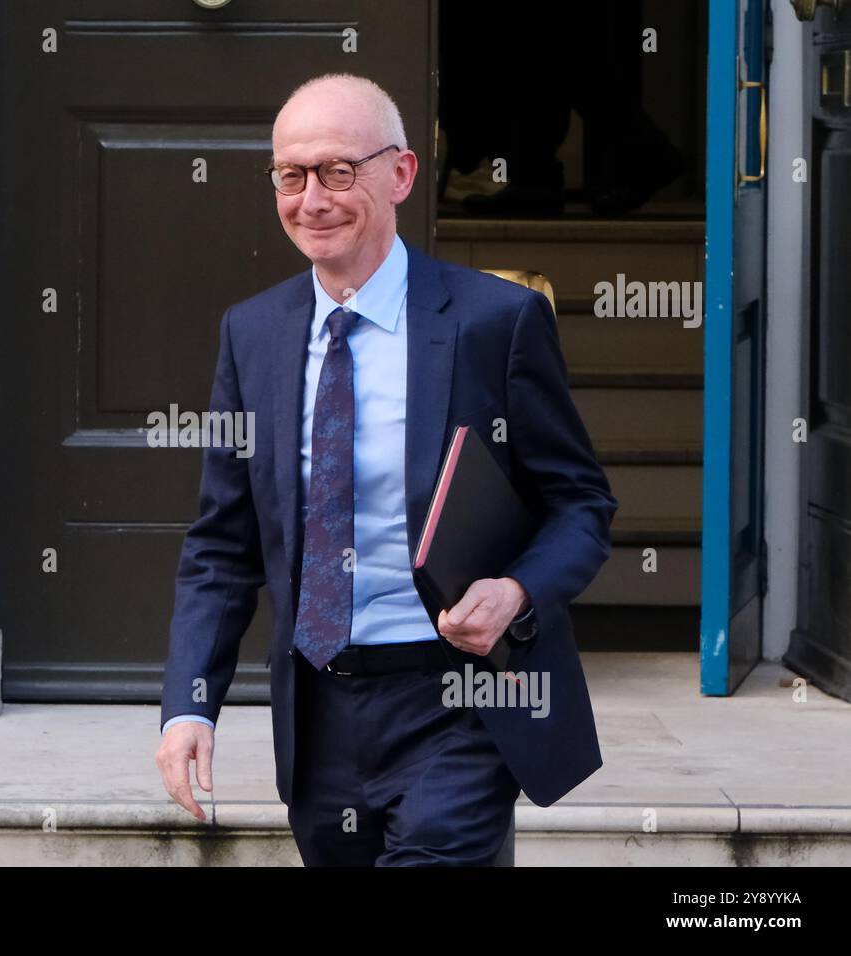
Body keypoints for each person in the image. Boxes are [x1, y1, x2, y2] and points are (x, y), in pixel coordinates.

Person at [155, 73, 618, 866]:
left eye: (339, 171)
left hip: (457, 703)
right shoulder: (253, 333)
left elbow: (580, 505)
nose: (312, 199)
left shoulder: (493, 323)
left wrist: (515, 592)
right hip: (319, 717)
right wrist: (188, 705)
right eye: (291, 176)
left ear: (400, 174)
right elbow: (222, 547)